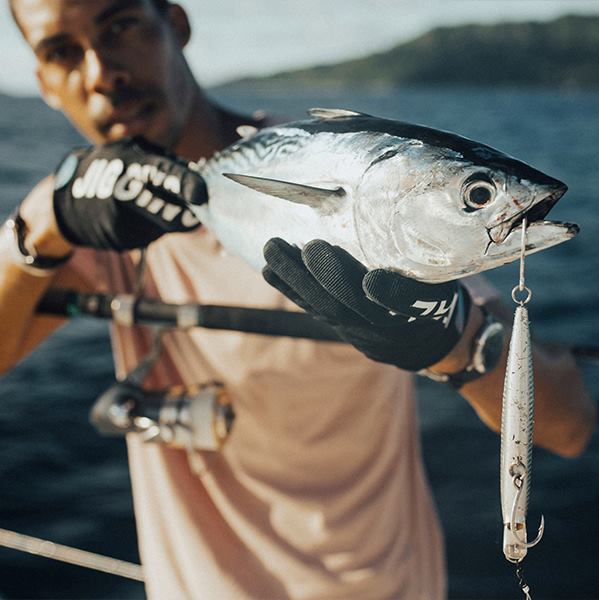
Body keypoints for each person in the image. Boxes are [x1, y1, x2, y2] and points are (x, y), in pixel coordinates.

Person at [1, 1, 595, 598]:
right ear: (44, 85)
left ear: (175, 25)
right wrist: (44, 222)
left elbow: (569, 427)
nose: (102, 72)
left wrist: (455, 338)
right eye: (61, 52)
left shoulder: (349, 162)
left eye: (120, 25)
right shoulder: (82, 227)